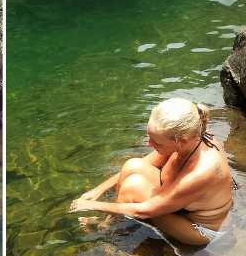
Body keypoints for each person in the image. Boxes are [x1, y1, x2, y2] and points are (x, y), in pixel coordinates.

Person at [68, 97, 233, 246]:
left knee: (132, 188)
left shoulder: (201, 171)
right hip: (181, 207)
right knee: (132, 165)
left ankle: (107, 229)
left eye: (156, 142)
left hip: (201, 230)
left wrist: (91, 205)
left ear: (180, 141)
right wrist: (97, 190)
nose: (148, 144)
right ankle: (112, 221)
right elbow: (139, 165)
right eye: (149, 137)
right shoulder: (189, 138)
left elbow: (144, 210)